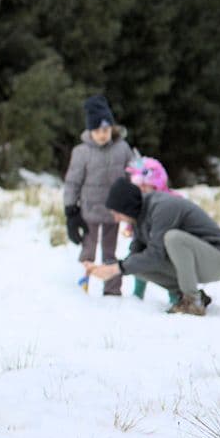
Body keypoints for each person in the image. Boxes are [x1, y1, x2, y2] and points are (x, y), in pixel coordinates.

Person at [86, 177, 220, 316]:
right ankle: (184, 296)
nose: (115, 218)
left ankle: (192, 301)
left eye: (117, 213)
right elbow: (134, 256)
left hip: (219, 259)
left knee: (173, 238)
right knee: (136, 266)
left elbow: (156, 254)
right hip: (197, 261)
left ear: (127, 206)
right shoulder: (139, 215)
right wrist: (107, 268)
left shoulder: (162, 207)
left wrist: (116, 269)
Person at [63, 95, 136, 295]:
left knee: (110, 251)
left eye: (105, 130)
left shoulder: (122, 149)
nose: (102, 135)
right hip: (89, 211)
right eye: (97, 130)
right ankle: (83, 284)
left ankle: (112, 289)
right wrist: (70, 209)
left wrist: (135, 200)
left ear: (111, 128)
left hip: (114, 212)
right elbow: (72, 182)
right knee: (88, 250)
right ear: (90, 131)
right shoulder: (82, 152)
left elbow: (133, 174)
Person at [117, 156, 172, 299]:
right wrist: (130, 226)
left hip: (166, 242)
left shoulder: (168, 200)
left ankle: (175, 293)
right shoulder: (140, 202)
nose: (142, 190)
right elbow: (135, 216)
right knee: (138, 256)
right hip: (144, 239)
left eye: (145, 186)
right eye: (139, 187)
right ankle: (138, 291)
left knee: (170, 262)